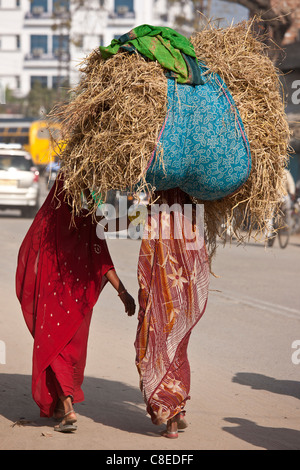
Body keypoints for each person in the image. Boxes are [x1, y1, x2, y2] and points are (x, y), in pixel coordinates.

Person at [16, 176, 135, 433]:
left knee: (54, 349)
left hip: (53, 301)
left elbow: (27, 260)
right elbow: (103, 253)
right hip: (78, 305)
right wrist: (122, 292)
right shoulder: (84, 222)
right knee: (68, 354)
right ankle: (65, 406)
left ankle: (67, 408)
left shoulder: (47, 223)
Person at [134, 188, 210, 438]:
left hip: (160, 301)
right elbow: (200, 265)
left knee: (155, 349)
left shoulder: (156, 215)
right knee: (177, 350)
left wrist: (145, 294)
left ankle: (165, 410)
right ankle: (176, 413)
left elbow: (146, 261)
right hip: (185, 301)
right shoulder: (192, 219)